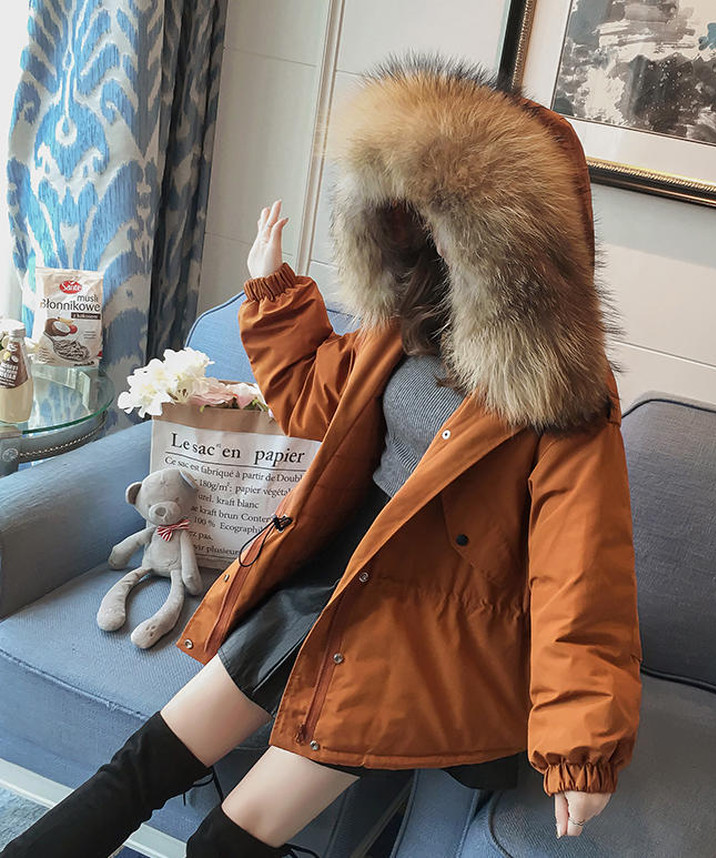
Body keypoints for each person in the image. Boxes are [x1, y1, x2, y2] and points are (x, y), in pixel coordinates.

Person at [2, 58, 643, 857]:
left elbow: (582, 570)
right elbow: (315, 404)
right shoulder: (408, 322)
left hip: (420, 627)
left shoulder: (566, 389)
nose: (432, 234)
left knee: (226, 843)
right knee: (139, 767)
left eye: (458, 219)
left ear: (523, 240)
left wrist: (582, 747)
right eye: (424, 212)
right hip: (326, 571)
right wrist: (272, 292)